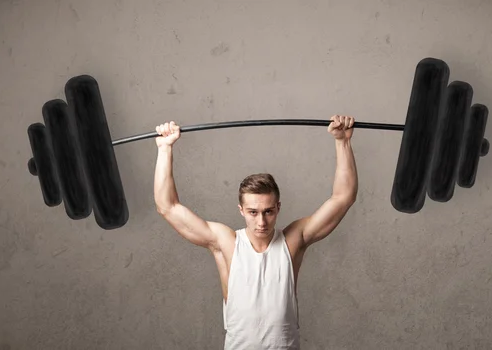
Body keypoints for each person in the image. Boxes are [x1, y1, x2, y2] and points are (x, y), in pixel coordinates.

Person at [153, 115, 358, 349]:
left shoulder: (293, 240)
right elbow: (167, 206)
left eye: (268, 211)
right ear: (241, 210)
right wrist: (165, 149)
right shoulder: (226, 243)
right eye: (253, 212)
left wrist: (342, 142)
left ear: (278, 207)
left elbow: (343, 198)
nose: (261, 221)